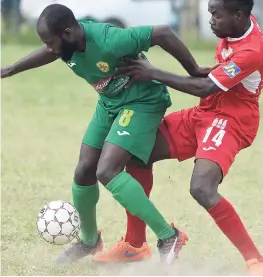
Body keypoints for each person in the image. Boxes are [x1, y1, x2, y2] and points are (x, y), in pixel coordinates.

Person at [1, 3, 215, 265]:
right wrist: (10, 69)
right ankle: (90, 241)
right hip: (110, 103)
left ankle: (169, 235)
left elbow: (163, 33)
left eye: (51, 43)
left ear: (68, 33)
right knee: (84, 170)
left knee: (107, 171)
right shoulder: (67, 44)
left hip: (142, 101)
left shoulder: (110, 40)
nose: (50, 49)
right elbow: (49, 54)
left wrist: (193, 69)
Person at [94, 0, 263, 275]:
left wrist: (154, 73)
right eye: (210, 13)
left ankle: (255, 259)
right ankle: (135, 245)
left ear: (239, 15)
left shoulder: (254, 49)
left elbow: (204, 87)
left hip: (231, 121)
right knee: (138, 150)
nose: (210, 20)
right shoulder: (236, 29)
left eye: (215, 15)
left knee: (202, 188)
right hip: (205, 112)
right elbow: (213, 79)